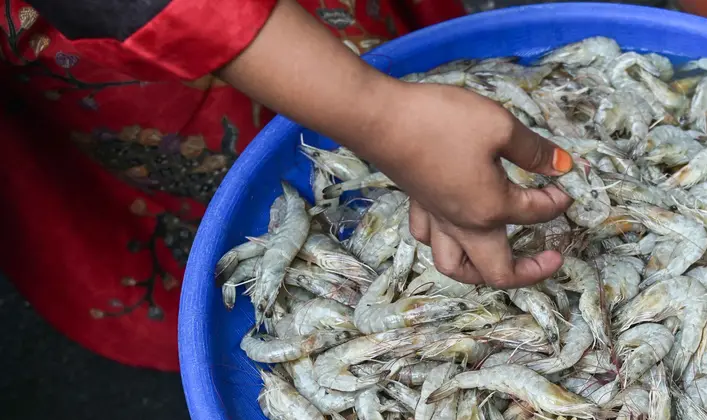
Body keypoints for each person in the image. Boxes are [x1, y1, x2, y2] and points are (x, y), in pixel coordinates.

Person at [1, 0, 573, 371]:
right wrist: (383, 119)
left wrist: (394, 124)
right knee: (196, 187)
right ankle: (205, 310)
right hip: (132, 40)